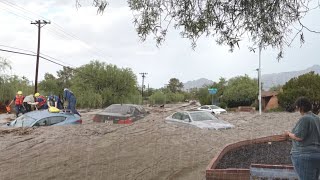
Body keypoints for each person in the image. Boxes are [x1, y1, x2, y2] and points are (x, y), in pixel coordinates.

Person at [284, 97, 320, 180]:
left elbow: (299, 137)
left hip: (304, 155)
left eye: (297, 107)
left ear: (300, 107)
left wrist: (288, 134)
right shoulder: (317, 119)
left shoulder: (305, 118)